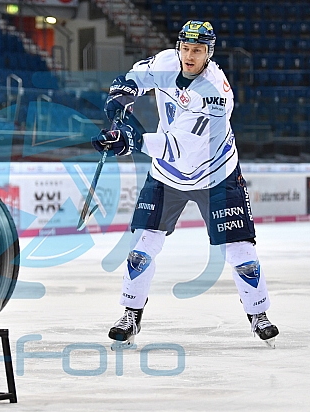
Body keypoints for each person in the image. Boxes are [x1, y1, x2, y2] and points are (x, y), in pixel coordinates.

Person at [91, 20, 279, 348]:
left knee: (240, 252)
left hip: (215, 175)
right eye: (186, 48)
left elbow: (180, 149)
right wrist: (122, 95)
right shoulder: (166, 61)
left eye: (198, 50)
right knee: (142, 248)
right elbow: (137, 77)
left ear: (210, 53)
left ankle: (258, 315)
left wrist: (129, 139)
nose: (190, 55)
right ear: (179, 47)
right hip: (166, 175)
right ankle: (130, 315)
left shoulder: (215, 93)